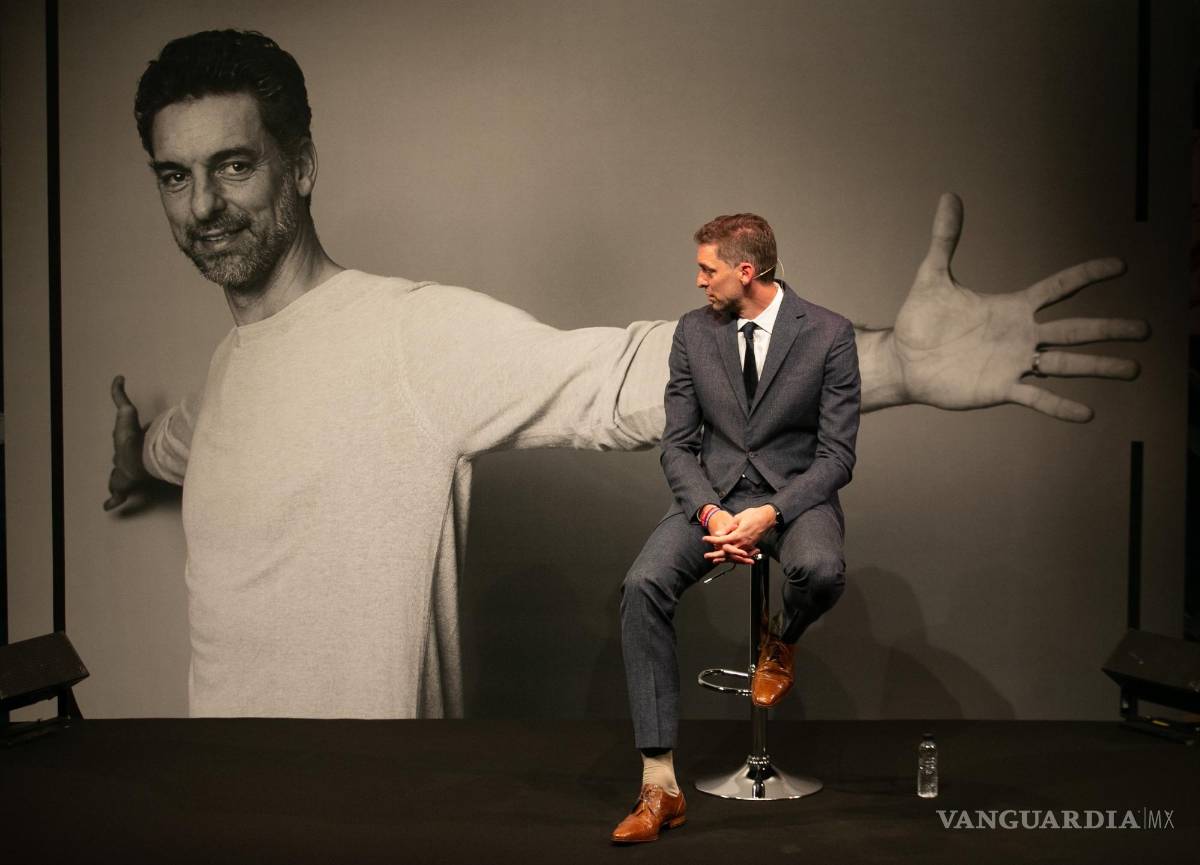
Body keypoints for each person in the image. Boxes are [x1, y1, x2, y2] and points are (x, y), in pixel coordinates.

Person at [105, 30, 1148, 720]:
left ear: (299, 166)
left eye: (233, 165)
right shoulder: (225, 380)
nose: (203, 206)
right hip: (218, 800)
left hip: (372, 811)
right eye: (175, 175)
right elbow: (183, 445)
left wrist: (885, 362)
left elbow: (621, 376)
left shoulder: (402, 338)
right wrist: (136, 459)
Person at [612, 213, 858, 843]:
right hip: (714, 501)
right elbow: (676, 446)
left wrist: (771, 512)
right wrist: (712, 513)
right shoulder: (693, 334)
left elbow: (836, 457)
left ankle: (784, 641)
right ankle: (659, 786)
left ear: (745, 271)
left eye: (707, 268)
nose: (698, 281)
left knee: (820, 570)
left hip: (793, 501)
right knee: (642, 586)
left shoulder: (828, 334)